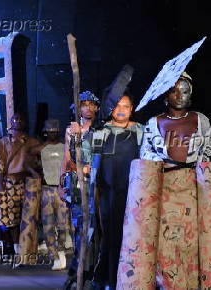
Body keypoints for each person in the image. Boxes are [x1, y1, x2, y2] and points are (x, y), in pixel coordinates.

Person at [117, 72, 211, 289]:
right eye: (174, 90)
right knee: (166, 243)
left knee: (190, 242)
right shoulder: (155, 122)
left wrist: (195, 164)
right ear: (166, 94)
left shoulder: (200, 120)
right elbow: (146, 154)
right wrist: (165, 163)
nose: (179, 95)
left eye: (185, 90)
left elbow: (209, 149)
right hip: (164, 188)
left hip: (193, 187)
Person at [92, 92, 143, 289]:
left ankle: (134, 280)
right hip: (109, 192)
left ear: (132, 109)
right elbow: (90, 161)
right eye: (117, 106)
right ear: (111, 109)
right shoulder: (101, 131)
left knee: (133, 237)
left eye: (126, 106)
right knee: (111, 236)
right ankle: (109, 279)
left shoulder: (141, 131)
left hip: (134, 192)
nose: (121, 110)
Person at [60, 91, 100, 289]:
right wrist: (62, 183)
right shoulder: (71, 130)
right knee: (80, 231)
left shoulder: (101, 130)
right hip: (77, 185)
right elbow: (67, 158)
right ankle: (76, 273)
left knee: (94, 231)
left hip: (96, 183)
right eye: (84, 104)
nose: (88, 108)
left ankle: (91, 272)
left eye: (92, 104)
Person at [0, 113, 41, 264]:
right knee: (12, 219)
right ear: (11, 122)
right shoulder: (4, 142)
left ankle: (28, 251)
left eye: (21, 119)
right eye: (15, 119)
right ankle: (16, 250)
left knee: (28, 218)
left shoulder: (32, 142)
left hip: (27, 182)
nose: (18, 121)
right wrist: (2, 190)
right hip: (9, 183)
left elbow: (38, 163)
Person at [32, 119, 68, 270]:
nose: (52, 131)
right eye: (49, 129)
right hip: (46, 190)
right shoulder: (40, 148)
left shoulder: (64, 147)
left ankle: (61, 251)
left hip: (61, 190)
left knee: (63, 225)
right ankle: (54, 256)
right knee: (47, 226)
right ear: (45, 131)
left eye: (55, 128)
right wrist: (35, 172)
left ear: (59, 130)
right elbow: (27, 157)